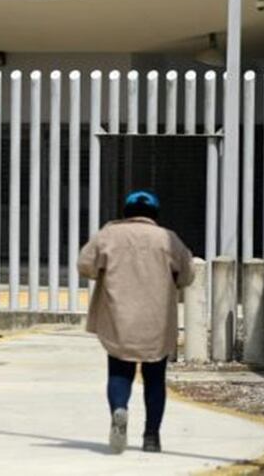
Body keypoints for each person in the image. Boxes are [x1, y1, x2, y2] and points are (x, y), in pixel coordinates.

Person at [77, 189, 194, 455]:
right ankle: (151, 437)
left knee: (119, 372)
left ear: (126, 212)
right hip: (157, 321)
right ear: (155, 214)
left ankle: (119, 408)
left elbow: (85, 266)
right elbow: (187, 274)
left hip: (119, 318)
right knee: (155, 379)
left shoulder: (109, 235)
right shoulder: (168, 238)